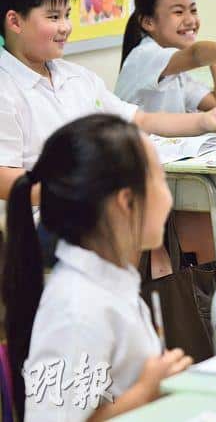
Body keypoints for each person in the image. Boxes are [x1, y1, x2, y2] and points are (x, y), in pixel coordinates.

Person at [0, 0, 216, 277]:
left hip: (99, 204)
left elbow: (138, 120)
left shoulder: (77, 78)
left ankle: (188, 316)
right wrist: (75, 193)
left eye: (67, 16)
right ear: (15, 22)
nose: (65, 27)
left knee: (194, 220)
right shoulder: (6, 87)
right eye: (53, 17)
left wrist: (204, 121)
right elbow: (5, 176)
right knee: (159, 225)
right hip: (44, 219)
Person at [4, 114, 192, 421]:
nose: (168, 198)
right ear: (126, 202)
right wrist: (145, 391)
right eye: (160, 180)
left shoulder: (112, 281)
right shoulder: (77, 310)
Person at [116, 0, 216, 273]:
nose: (190, 19)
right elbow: (196, 53)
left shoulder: (176, 71)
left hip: (173, 179)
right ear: (148, 22)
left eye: (193, 10)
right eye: (178, 12)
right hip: (141, 186)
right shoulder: (146, 57)